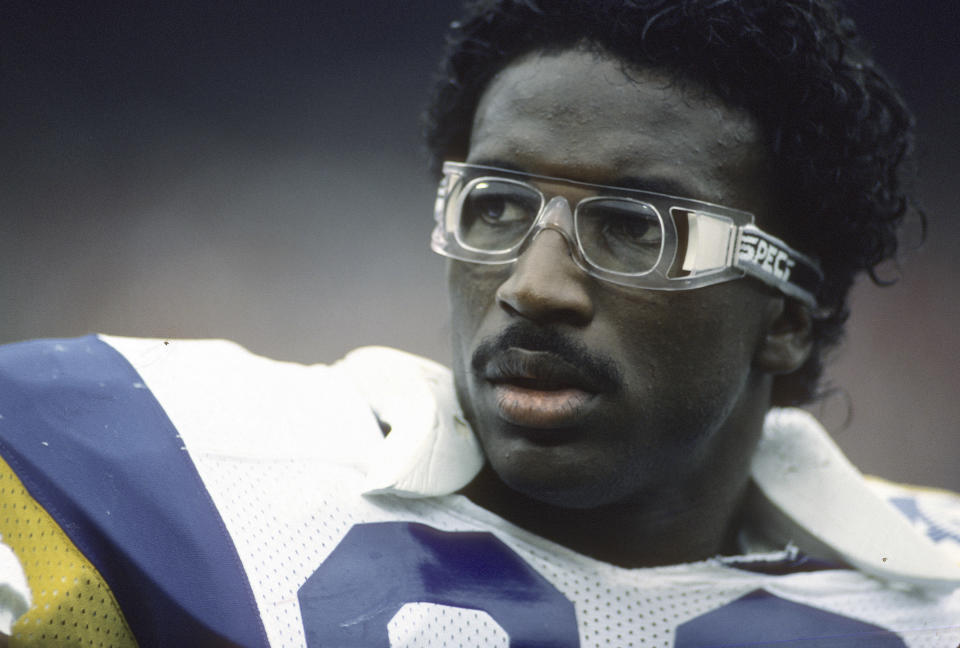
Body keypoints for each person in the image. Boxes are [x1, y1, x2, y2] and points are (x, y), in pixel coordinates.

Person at [1, 0, 958, 646]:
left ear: (784, 320)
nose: (533, 287)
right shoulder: (171, 468)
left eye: (633, 229)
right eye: (496, 208)